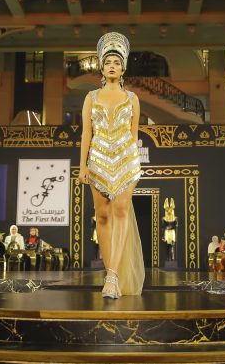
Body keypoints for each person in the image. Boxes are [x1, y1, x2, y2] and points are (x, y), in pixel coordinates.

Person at [79, 31, 144, 299]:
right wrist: (82, 165)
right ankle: (110, 272)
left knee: (120, 212)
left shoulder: (133, 99)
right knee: (103, 215)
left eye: (117, 62)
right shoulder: (91, 97)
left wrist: (133, 162)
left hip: (126, 159)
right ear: (102, 68)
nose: (112, 66)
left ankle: (113, 276)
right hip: (98, 160)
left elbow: (134, 133)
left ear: (123, 67)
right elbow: (86, 132)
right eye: (108, 62)